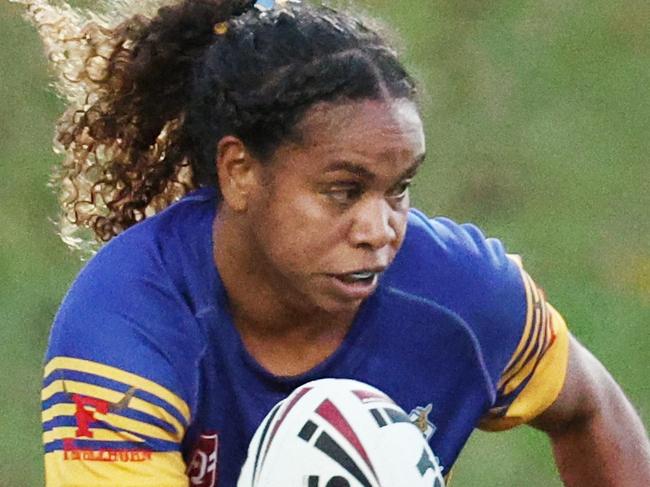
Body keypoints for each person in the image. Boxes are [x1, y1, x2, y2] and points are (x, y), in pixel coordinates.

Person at [21, 0, 649, 485]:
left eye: (399, 189)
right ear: (240, 172)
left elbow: (590, 410)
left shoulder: (463, 294)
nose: (380, 231)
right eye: (343, 191)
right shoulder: (124, 332)